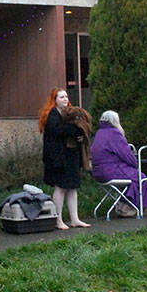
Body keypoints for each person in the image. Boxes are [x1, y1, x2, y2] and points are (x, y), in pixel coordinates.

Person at [39, 87, 91, 230]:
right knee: (60, 187)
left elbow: (78, 131)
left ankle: (75, 219)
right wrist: (74, 130)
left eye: (66, 97)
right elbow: (58, 131)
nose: (65, 99)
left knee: (73, 187)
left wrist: (80, 135)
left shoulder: (72, 114)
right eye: (61, 97)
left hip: (72, 156)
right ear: (54, 100)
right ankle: (57, 219)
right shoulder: (52, 115)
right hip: (58, 158)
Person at [91, 110, 147, 217]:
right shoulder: (114, 134)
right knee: (140, 177)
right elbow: (126, 155)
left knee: (131, 178)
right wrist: (136, 164)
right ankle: (130, 207)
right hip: (111, 170)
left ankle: (122, 205)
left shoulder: (99, 133)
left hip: (98, 172)